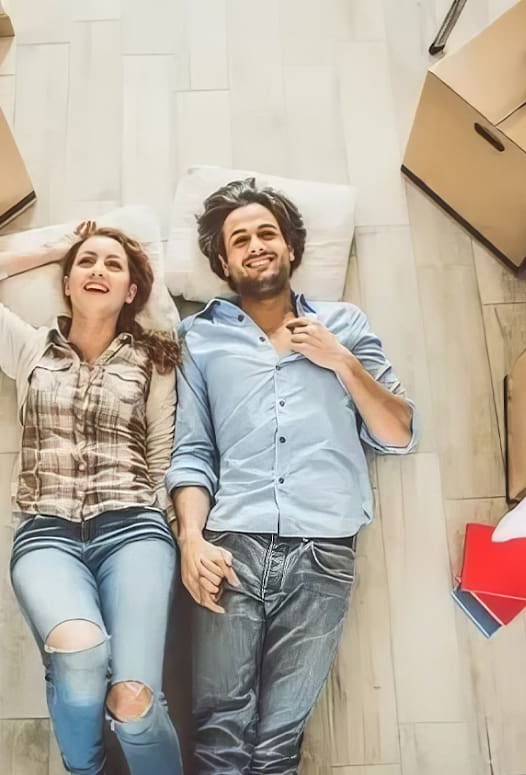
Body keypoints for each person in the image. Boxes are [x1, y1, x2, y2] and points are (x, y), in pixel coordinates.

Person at [166, 179, 421, 774]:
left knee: (278, 746)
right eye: (240, 239)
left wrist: (341, 361)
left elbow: (401, 434)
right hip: (231, 548)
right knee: (218, 737)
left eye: (266, 233)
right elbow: (193, 451)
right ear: (223, 261)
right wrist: (190, 540)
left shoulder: (345, 324)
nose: (256, 245)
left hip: (325, 553)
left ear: (290, 248)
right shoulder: (200, 338)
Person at [0, 221, 183, 775]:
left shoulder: (156, 361)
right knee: (78, 655)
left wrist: (175, 532)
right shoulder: (29, 348)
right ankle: (87, 769)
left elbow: (163, 451)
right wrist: (56, 248)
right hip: (46, 533)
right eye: (87, 263)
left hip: (135, 531)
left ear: (131, 292)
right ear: (68, 283)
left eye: (113, 265)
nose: (98, 270)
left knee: (135, 703)